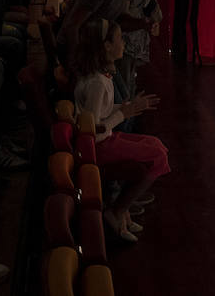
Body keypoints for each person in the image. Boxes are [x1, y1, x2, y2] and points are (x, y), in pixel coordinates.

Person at [71, 18, 168, 243]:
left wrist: (126, 107)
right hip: (99, 147)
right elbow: (92, 129)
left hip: (105, 140)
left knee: (157, 146)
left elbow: (98, 113)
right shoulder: (97, 83)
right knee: (158, 155)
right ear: (106, 46)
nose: (123, 43)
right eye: (119, 39)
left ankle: (121, 209)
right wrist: (124, 113)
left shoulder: (99, 77)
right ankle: (117, 210)